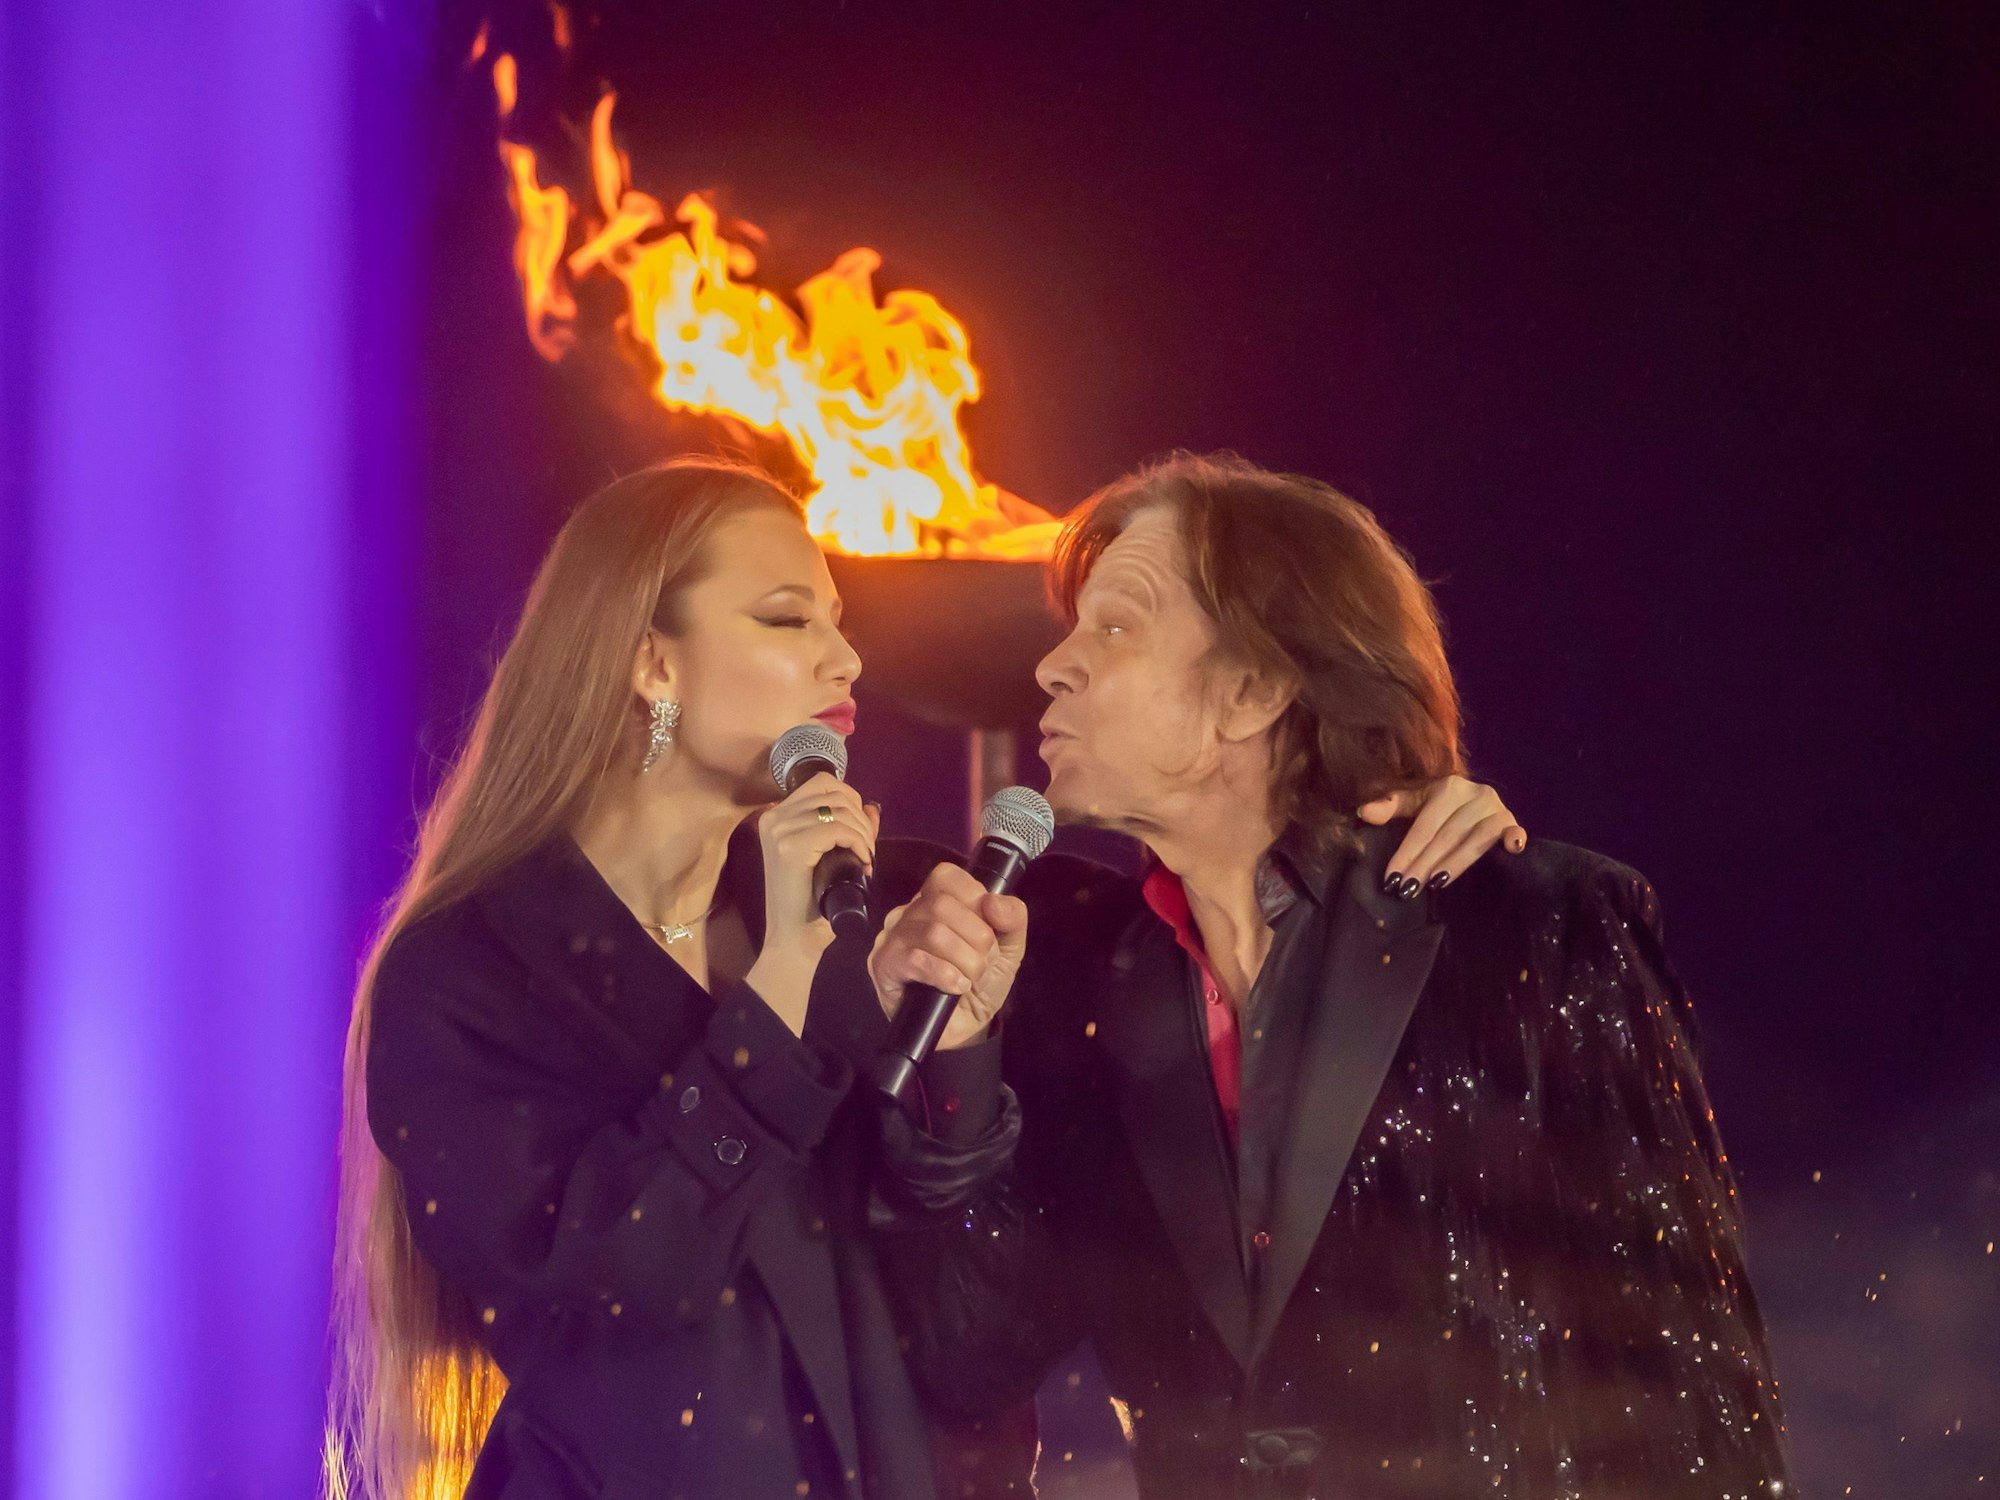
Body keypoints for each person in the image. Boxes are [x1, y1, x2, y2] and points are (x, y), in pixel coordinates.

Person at [323, 454, 1520, 1500]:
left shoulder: (900, 899)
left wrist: (1381, 823)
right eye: (789, 620)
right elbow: (617, 1281)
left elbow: (977, 1328)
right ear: (650, 663)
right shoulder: (473, 972)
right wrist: (782, 982)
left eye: (839, 619)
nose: (846, 655)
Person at [869, 453, 1791, 1499]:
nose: (1052, 666)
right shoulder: (1083, 980)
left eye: (1114, 626)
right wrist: (959, 1059)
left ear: (1252, 690)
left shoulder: (1531, 927)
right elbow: (974, 1352)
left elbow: (1690, 1382)